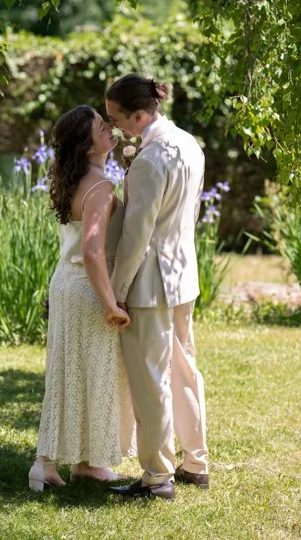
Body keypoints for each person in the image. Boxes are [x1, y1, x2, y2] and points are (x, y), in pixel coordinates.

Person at [104, 74, 210, 501]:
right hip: (183, 276)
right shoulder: (190, 144)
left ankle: (157, 477)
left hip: (150, 283)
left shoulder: (149, 160)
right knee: (183, 370)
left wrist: (117, 290)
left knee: (151, 381)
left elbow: (136, 235)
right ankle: (196, 462)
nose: (113, 127)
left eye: (116, 119)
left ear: (140, 115)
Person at [28, 105, 137, 492]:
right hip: (87, 288)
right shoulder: (99, 187)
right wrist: (111, 305)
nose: (110, 128)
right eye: (100, 125)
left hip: (66, 284)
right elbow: (92, 252)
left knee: (74, 374)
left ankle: (86, 464)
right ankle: (45, 461)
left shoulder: (79, 180)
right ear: (86, 143)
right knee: (87, 374)